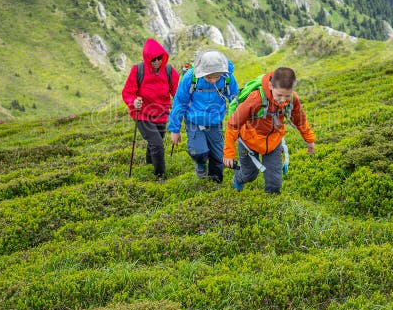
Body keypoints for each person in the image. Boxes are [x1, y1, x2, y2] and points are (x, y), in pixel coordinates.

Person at [223, 67, 315, 194]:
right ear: (271, 86)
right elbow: (234, 124)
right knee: (249, 175)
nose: (283, 100)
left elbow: (300, 120)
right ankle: (237, 179)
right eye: (279, 95)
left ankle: (272, 203)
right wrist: (229, 153)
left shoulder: (292, 99)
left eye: (287, 96)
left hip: (273, 142)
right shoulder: (256, 99)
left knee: (275, 182)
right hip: (248, 142)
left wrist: (309, 140)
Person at [168, 50, 238, 182]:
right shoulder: (190, 78)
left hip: (215, 121)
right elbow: (180, 102)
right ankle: (200, 164)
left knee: (218, 156)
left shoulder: (227, 78)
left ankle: (215, 184)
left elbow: (235, 99)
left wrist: (240, 120)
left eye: (216, 77)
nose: (213, 81)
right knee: (199, 152)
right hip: (194, 120)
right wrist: (175, 129)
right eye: (209, 77)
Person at [121, 39, 179, 179]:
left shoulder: (168, 70)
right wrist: (134, 101)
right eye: (153, 59)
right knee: (157, 144)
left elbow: (177, 91)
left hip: (162, 113)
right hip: (143, 114)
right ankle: (160, 175)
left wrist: (180, 105)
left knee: (156, 140)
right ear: (147, 59)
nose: (157, 62)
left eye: (160, 58)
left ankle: (148, 162)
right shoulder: (138, 70)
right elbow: (127, 92)